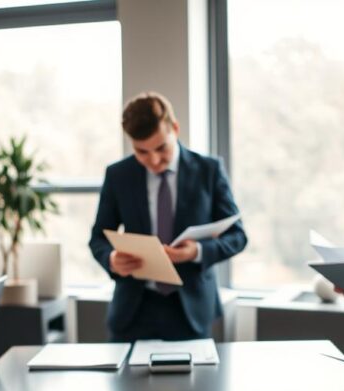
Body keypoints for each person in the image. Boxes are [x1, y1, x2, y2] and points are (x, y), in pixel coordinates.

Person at [89, 92, 247, 341]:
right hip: (132, 310)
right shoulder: (118, 175)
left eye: (161, 148)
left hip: (190, 311)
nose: (153, 160)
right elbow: (98, 237)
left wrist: (196, 251)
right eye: (142, 152)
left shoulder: (209, 170)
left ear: (175, 128)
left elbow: (238, 236)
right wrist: (111, 259)